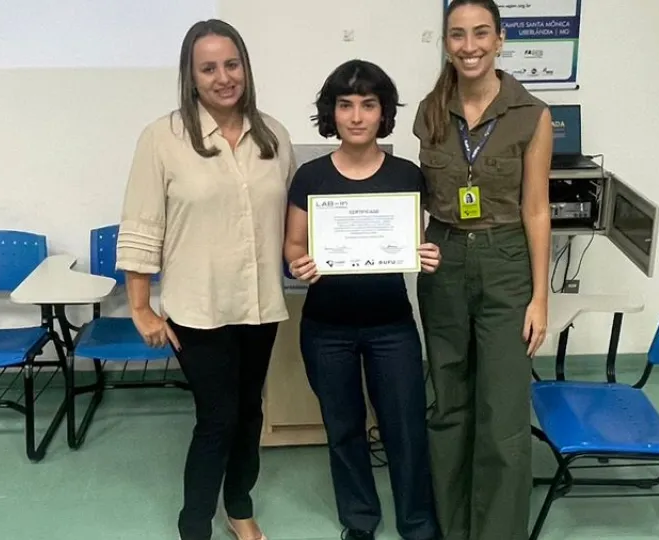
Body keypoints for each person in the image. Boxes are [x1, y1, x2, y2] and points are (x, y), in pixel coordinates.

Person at [115, 18, 296, 540]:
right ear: (190, 76)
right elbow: (142, 224)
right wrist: (142, 306)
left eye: (232, 64)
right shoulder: (163, 138)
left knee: (249, 412)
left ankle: (238, 505)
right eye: (209, 68)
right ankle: (194, 522)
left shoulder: (273, 136)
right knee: (217, 418)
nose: (223, 77)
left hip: (260, 305)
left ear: (245, 68)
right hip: (199, 308)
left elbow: (290, 221)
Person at [283, 59, 442, 540]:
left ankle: (418, 523)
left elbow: (414, 242)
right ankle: (359, 522)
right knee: (344, 430)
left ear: (383, 113)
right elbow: (293, 246)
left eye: (368, 105)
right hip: (326, 329)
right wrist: (299, 263)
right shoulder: (310, 177)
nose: (356, 116)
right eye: (345, 105)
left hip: (391, 326)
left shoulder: (406, 175)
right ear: (331, 113)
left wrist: (427, 252)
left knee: (406, 431)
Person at [412, 1, 553, 539]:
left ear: (500, 38)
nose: (468, 46)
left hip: (505, 262)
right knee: (448, 402)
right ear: (445, 42)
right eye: (457, 35)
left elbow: (536, 208)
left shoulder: (531, 114)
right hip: (442, 258)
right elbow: (416, 199)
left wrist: (540, 297)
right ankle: (453, 527)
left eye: (480, 34)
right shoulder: (430, 110)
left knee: (502, 412)